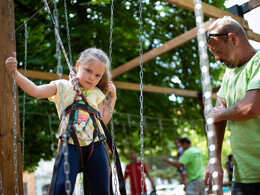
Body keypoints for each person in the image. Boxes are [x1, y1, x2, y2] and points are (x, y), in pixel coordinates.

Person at [5, 48, 125, 195]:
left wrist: (112, 99)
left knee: (102, 189)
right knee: (62, 186)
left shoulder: (97, 93)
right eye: (88, 70)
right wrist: (15, 73)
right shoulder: (63, 86)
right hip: (71, 143)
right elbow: (36, 90)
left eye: (97, 75)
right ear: (78, 65)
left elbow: (103, 120)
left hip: (95, 143)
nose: (92, 77)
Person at [204, 16, 260, 195]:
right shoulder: (229, 74)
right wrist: (214, 160)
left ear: (233, 39)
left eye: (217, 50)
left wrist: (220, 114)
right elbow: (216, 117)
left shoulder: (258, 63)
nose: (216, 58)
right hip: (241, 176)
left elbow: (251, 107)